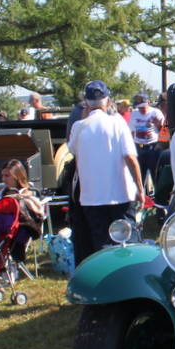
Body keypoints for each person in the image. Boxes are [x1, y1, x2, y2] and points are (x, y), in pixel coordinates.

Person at [68, 80, 144, 265]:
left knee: (100, 244)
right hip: (121, 194)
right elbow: (130, 157)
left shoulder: (78, 127)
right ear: (107, 102)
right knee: (128, 241)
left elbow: (73, 151)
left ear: (86, 103)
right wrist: (140, 189)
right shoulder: (117, 122)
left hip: (92, 197)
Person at [128, 93, 164, 185]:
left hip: (153, 147)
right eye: (139, 107)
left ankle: (157, 198)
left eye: (143, 107)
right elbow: (132, 130)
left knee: (156, 177)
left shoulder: (155, 112)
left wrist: (158, 125)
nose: (141, 109)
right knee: (139, 177)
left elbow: (165, 131)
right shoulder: (135, 113)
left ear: (148, 102)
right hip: (139, 147)